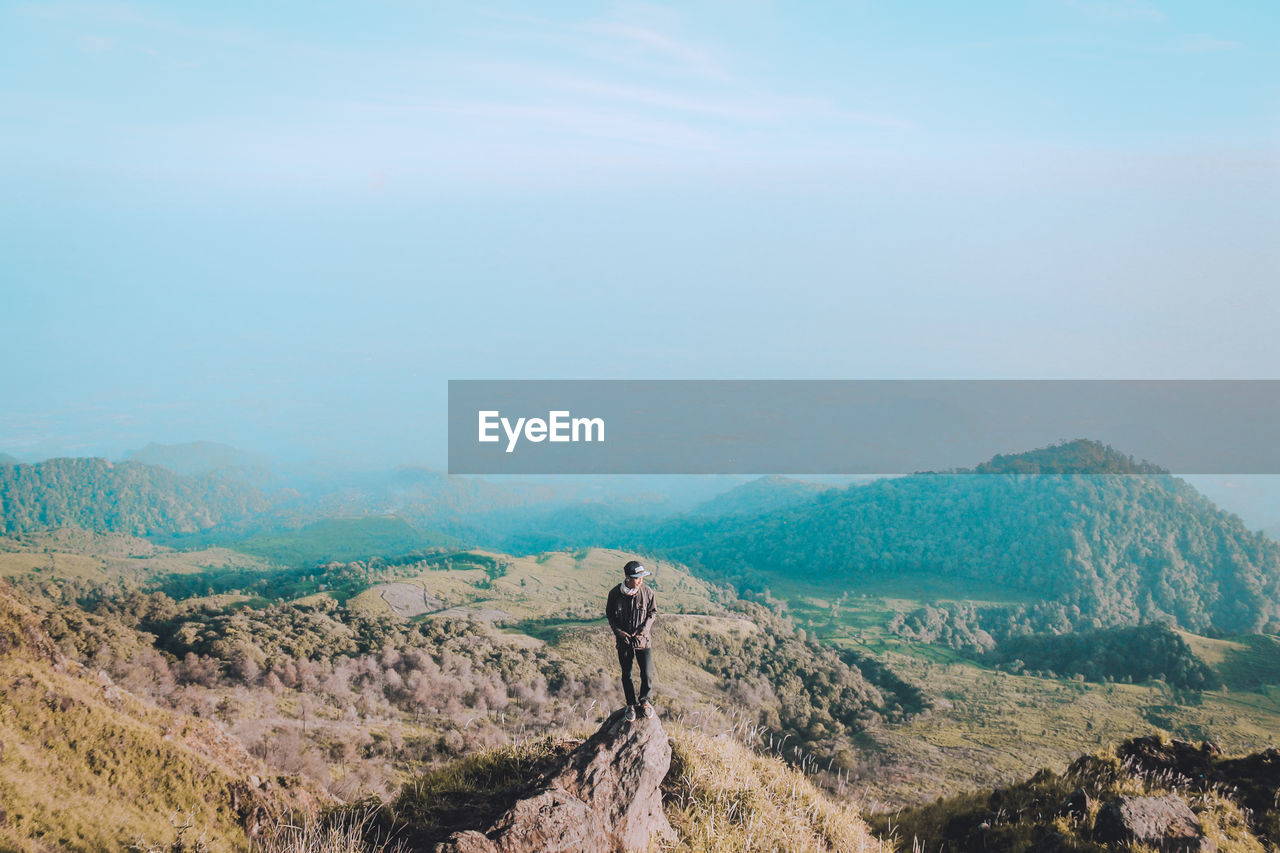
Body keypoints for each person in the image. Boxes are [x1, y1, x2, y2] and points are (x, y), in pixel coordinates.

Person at [605, 559, 658, 721]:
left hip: (643, 641)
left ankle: (644, 702)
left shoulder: (647, 592)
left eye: (642, 577)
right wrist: (618, 632)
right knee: (627, 674)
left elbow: (652, 612)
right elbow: (610, 615)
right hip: (624, 642)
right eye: (637, 577)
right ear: (627, 577)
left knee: (647, 673)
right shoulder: (614, 594)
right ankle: (630, 705)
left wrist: (644, 630)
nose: (640, 580)